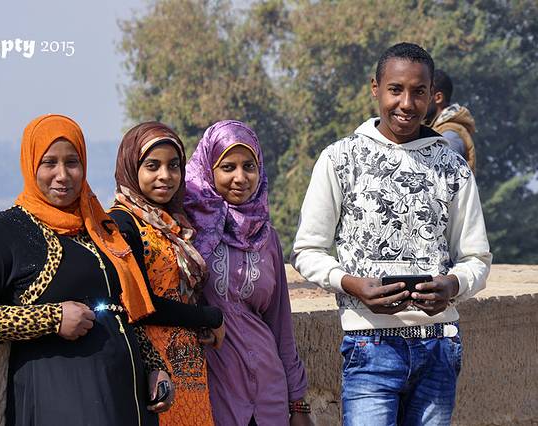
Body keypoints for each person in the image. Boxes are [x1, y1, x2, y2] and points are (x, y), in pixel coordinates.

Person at [291, 42, 492, 425]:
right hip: (369, 343)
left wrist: (452, 285)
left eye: (418, 92)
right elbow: (307, 250)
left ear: (432, 95)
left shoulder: (452, 167)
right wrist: (352, 284)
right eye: (395, 90)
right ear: (375, 89)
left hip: (439, 344)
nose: (406, 103)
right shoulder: (340, 158)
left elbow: (476, 258)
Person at [0, 114, 173, 425]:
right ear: (31, 165)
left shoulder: (100, 226)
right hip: (61, 398)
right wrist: (53, 318)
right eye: (49, 163)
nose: (62, 175)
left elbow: (120, 306)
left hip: (125, 398)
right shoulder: (5, 231)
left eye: (72, 162)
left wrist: (153, 365)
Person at [184, 120, 312, 426]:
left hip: (268, 391)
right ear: (208, 169)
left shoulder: (266, 236)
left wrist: (298, 403)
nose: (240, 178)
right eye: (228, 167)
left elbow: (280, 323)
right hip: (213, 388)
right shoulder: (188, 230)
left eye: (249, 167)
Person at [108, 121, 226, 426]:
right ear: (131, 168)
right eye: (152, 166)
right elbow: (139, 303)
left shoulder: (172, 223)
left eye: (174, 166)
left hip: (189, 369)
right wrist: (209, 317)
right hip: (152, 368)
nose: (165, 175)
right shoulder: (122, 224)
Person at [425, 69, 477, 172]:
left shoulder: (450, 136)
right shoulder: (434, 129)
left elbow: (441, 175)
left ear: (438, 98)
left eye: (421, 93)